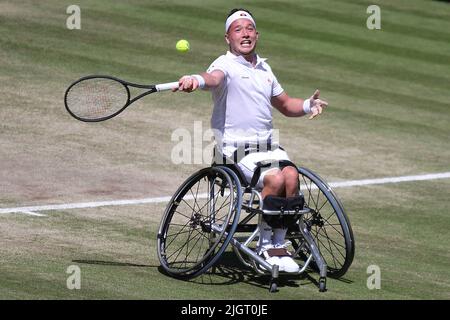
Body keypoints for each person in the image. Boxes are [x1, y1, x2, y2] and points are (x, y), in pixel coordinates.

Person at [174, 8, 328, 273]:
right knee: (275, 179)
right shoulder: (224, 64)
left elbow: (285, 104)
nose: (244, 34)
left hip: (269, 148)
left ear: (256, 34)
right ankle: (265, 245)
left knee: (291, 175)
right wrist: (195, 80)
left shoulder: (265, 69)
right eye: (238, 29)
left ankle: (279, 245)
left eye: (249, 29)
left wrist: (306, 105)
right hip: (235, 153)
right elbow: (212, 79)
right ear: (227, 38)